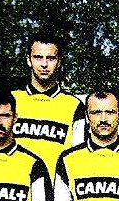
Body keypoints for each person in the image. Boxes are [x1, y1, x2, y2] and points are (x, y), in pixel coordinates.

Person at [12, 29, 86, 177]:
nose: (44, 64)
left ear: (59, 62)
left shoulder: (74, 105)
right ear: (28, 60)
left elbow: (77, 158)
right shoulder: (11, 101)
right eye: (38, 57)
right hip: (16, 186)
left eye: (51, 58)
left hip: (55, 190)